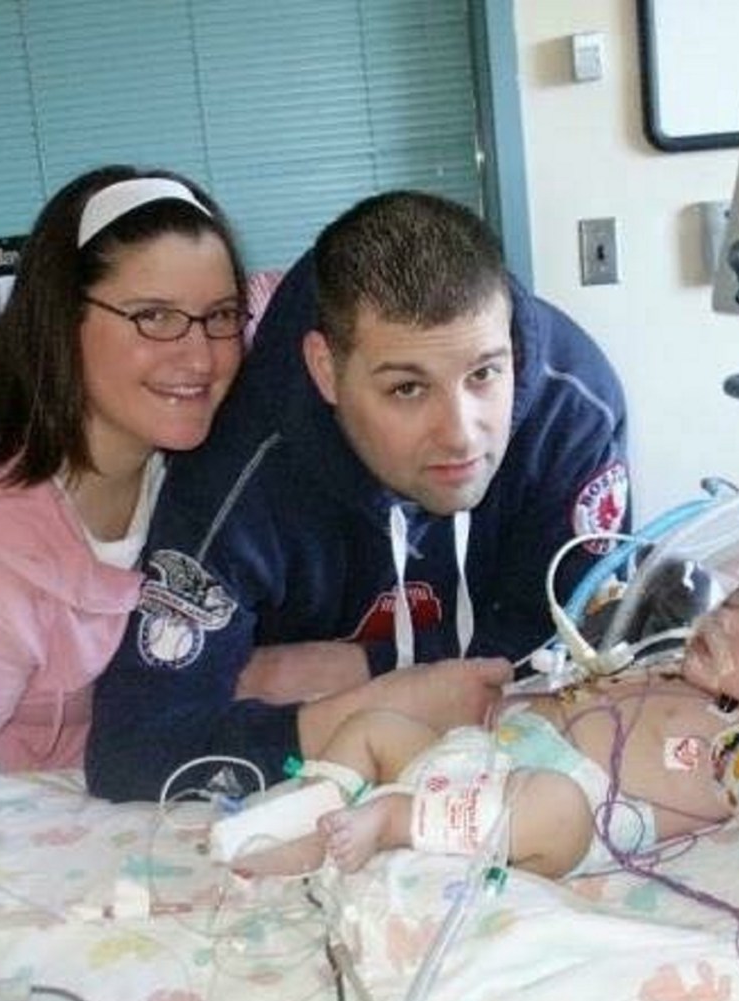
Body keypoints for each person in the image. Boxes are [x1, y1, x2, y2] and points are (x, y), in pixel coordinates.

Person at [87, 189, 630, 801]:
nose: (460, 434)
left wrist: (368, 668)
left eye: (484, 374)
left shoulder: (572, 405)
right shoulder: (238, 469)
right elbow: (130, 749)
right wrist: (364, 713)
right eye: (406, 389)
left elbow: (597, 638)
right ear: (325, 369)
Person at [288, 561, 739, 882]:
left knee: (554, 804)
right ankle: (304, 821)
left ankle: (393, 820)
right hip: (475, 760)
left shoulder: (725, 735)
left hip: (550, 818)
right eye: (731, 604)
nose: (726, 624)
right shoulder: (662, 674)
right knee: (374, 724)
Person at [0, 166, 248, 770]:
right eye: (155, 316)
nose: (200, 356)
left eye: (222, 315)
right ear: (62, 320)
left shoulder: (170, 450)